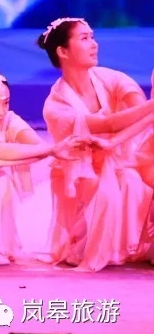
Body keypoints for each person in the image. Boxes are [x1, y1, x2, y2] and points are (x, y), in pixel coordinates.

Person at [37, 17, 154, 271]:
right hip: (81, 176)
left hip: (121, 163)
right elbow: (110, 124)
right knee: (115, 187)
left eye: (92, 37)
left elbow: (140, 113)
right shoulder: (56, 106)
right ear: (63, 51)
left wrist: (146, 109)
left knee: (137, 178)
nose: (94, 44)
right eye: (84, 38)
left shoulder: (110, 78)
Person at [0, 67, 86, 266]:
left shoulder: (8, 120)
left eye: (6, 103)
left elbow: (37, 148)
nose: (1, 112)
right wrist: (52, 149)